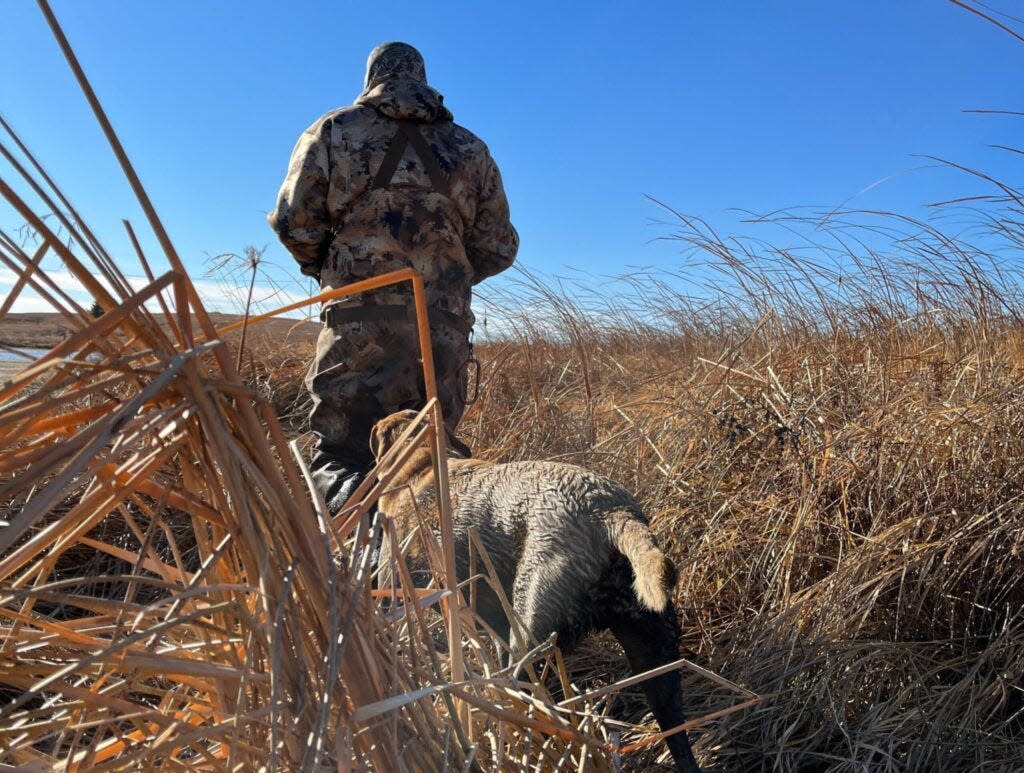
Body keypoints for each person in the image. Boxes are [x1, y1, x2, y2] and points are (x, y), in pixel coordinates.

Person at [269, 41, 518, 515]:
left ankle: (354, 565)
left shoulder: (332, 131)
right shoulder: (470, 148)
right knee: (434, 459)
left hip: (359, 320)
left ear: (372, 79)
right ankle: (441, 569)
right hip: (442, 327)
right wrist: (446, 283)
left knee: (342, 457)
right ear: (422, 80)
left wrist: (335, 271)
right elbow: (498, 246)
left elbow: (294, 223)